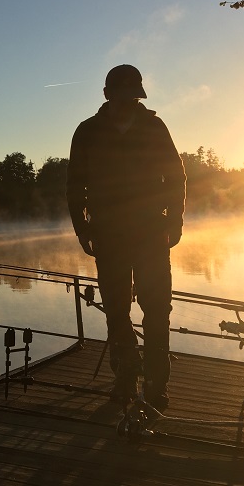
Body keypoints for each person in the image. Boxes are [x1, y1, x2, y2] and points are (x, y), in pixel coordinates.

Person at [66, 64, 185, 410]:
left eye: (132, 97)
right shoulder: (86, 131)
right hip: (108, 235)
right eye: (121, 96)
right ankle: (125, 378)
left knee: (157, 309)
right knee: (116, 311)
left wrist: (174, 222)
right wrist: (82, 228)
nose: (127, 103)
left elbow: (176, 177)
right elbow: (75, 184)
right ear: (106, 95)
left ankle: (155, 385)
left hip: (151, 233)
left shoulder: (154, 126)